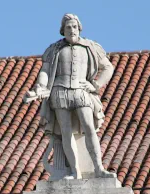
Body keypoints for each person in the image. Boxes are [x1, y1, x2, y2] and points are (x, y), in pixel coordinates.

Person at [28, 13, 116, 179]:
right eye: (68, 27)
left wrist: (95, 85)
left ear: (79, 28)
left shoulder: (91, 47)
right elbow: (45, 71)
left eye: (74, 26)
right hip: (59, 92)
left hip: (82, 92)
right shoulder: (54, 50)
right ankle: (75, 172)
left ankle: (98, 168)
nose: (72, 30)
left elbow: (108, 68)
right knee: (66, 132)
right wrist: (40, 86)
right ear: (63, 30)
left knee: (89, 128)